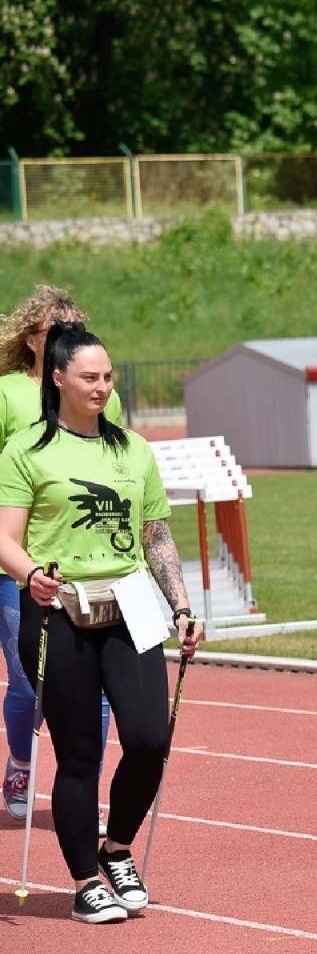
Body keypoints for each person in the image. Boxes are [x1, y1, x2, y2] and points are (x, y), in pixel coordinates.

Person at [0, 322, 204, 923]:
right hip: (58, 609)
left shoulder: (133, 449)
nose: (101, 386)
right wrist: (31, 572)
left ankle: (117, 851)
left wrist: (183, 606)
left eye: (108, 376)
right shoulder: (26, 451)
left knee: (148, 739)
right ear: (58, 378)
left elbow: (156, 534)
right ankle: (86, 881)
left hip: (132, 603)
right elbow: (5, 538)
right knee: (80, 750)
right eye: (89, 377)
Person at [0, 287, 119, 826]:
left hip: (86, 566)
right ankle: (22, 760)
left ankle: (82, 783)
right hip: (17, 564)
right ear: (31, 341)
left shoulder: (102, 397)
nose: (67, 335)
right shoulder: (7, 395)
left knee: (94, 691)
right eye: (55, 328)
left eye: (76, 324)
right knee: (30, 680)